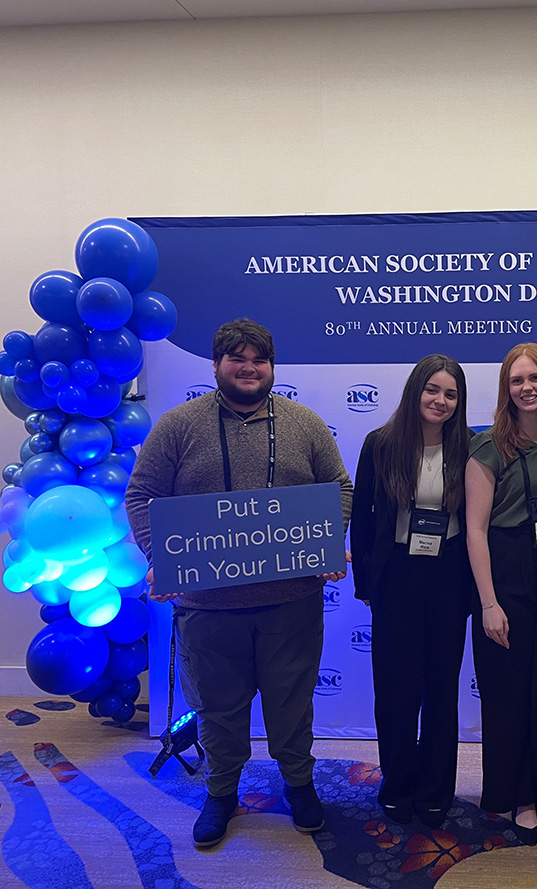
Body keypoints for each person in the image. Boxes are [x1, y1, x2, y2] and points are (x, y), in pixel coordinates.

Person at [125, 318, 353, 849]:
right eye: (238, 359)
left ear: (272, 368)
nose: (249, 368)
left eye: (260, 360)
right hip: (207, 606)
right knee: (218, 710)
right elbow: (142, 495)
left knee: (292, 707)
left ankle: (299, 785)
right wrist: (163, 555)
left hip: (291, 604)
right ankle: (222, 793)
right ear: (216, 366)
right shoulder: (179, 426)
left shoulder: (305, 424)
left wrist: (326, 540)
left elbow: (338, 487)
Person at [465, 342, 537, 846]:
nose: (527, 387)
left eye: (535, 378)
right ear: (506, 389)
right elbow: (474, 530)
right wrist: (489, 603)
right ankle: (522, 799)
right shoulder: (488, 446)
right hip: (505, 572)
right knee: (510, 694)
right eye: (517, 380)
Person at [350, 355, 473, 829]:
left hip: (449, 576)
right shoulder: (379, 444)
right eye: (433, 390)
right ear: (415, 391)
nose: (440, 401)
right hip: (396, 577)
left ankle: (437, 788)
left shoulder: (471, 447)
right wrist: (366, 584)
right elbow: (362, 518)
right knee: (396, 691)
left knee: (442, 690)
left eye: (451, 394)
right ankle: (398, 783)